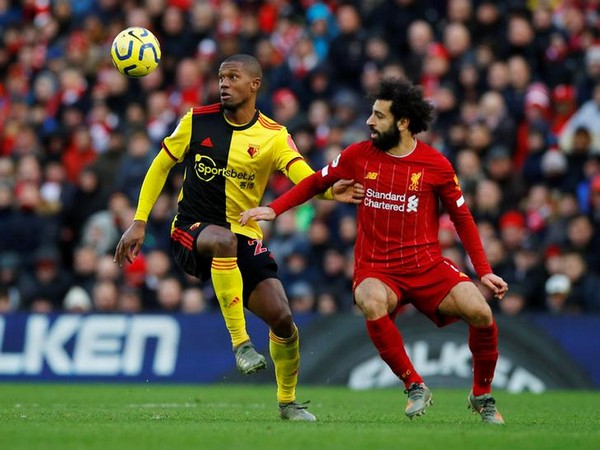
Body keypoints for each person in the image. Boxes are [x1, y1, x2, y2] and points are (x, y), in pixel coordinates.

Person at [240, 78, 509, 424]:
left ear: (403, 122)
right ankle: (414, 385)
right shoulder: (357, 156)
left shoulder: (436, 165)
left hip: (426, 265)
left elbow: (463, 217)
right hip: (377, 268)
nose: (369, 121)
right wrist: (274, 209)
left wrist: (483, 269)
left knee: (481, 312)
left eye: (379, 116)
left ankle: (482, 395)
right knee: (369, 299)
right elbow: (315, 182)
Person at [113, 54, 362, 421]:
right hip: (191, 229)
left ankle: (287, 402)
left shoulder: (274, 136)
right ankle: (241, 344)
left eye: (232, 77)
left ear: (254, 85)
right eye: (220, 77)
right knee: (223, 241)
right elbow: (161, 165)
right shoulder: (197, 120)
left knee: (283, 319)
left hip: (242, 232)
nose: (224, 84)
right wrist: (139, 220)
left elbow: (303, 176)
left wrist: (328, 191)